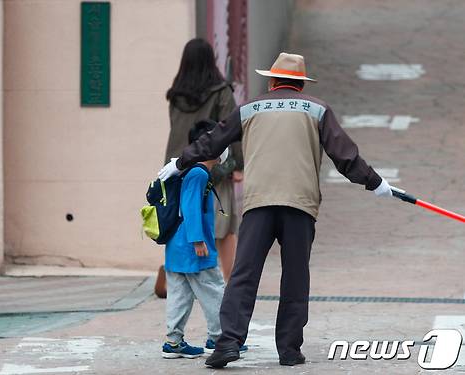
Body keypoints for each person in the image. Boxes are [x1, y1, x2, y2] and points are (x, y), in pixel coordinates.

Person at [158, 53, 394, 368]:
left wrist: (181, 162)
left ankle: (228, 342)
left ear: (272, 81)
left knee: (244, 274)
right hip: (300, 204)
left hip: (259, 203)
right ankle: (289, 350)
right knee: (295, 276)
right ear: (300, 83)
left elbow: (213, 142)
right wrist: (375, 183)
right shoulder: (318, 110)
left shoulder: (250, 108)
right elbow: (345, 156)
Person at [156, 38, 244, 298]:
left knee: (178, 222)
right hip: (212, 167)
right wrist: (236, 164)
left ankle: (174, 277)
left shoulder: (175, 95)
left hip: (176, 168)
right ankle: (230, 283)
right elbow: (231, 130)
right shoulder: (221, 93)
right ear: (211, 61)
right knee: (225, 229)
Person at [161, 121, 248, 359]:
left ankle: (173, 342)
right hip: (193, 247)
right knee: (214, 290)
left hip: (177, 247)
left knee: (180, 294)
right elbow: (190, 208)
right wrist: (198, 241)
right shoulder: (198, 173)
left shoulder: (188, 170)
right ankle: (220, 338)